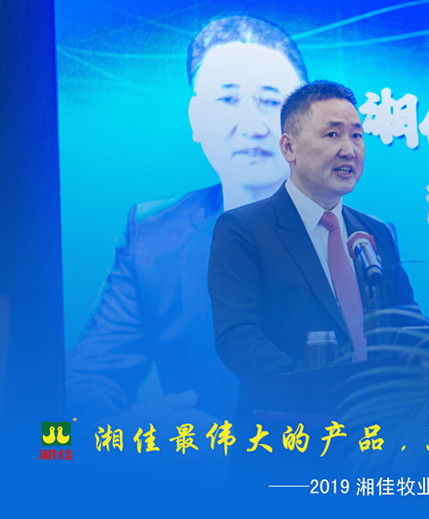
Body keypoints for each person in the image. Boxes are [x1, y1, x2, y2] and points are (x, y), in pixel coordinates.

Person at [66, 16, 307, 426]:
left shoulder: (360, 240)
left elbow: (394, 387)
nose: (252, 126)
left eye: (270, 102)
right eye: (228, 100)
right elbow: (86, 380)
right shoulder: (153, 236)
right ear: (196, 119)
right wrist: (123, 430)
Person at [208, 80, 427, 416]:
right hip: (289, 430)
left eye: (357, 135)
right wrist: (323, 393)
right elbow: (238, 338)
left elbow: (406, 322)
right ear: (289, 147)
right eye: (332, 134)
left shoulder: (376, 233)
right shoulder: (244, 229)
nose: (349, 150)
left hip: (381, 432)